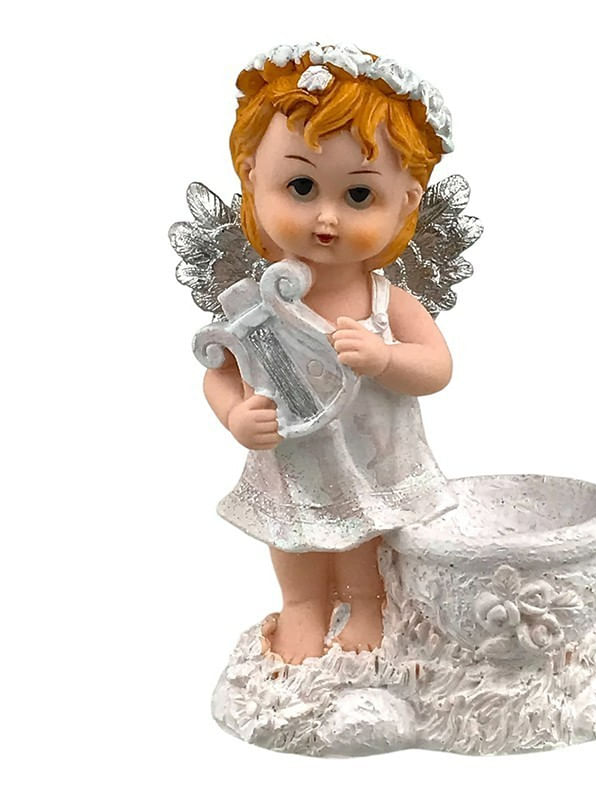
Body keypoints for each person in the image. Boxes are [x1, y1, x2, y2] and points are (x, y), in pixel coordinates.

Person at [203, 43, 458, 664]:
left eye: (359, 196)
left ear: (407, 201)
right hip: (294, 458)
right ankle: (303, 606)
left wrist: (386, 359)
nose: (326, 217)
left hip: (370, 458)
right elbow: (220, 371)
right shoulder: (256, 307)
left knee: (364, 532)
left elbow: (437, 368)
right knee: (294, 538)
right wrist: (235, 414)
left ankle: (366, 603)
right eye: (300, 186)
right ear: (251, 178)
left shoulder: (385, 301)